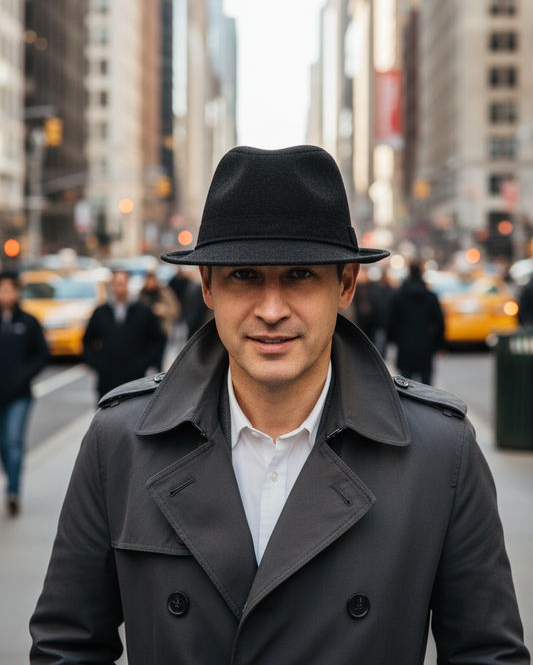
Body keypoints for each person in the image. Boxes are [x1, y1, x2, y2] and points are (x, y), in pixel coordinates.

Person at [31, 146, 528, 665]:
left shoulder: (441, 454)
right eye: (244, 276)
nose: (271, 310)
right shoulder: (121, 443)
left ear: (345, 284)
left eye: (300, 275)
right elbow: (68, 647)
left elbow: (486, 654)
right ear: (207, 286)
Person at [0, 272, 48, 517]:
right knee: (2, 446)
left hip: (19, 395)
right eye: (2, 289)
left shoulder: (28, 321)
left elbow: (42, 353)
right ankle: (11, 481)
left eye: (9, 289)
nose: (5, 294)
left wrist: (24, 375)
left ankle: (13, 491)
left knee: (13, 441)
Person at [82, 269, 166, 399]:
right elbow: (87, 341)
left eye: (122, 283)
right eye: (116, 283)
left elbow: (158, 339)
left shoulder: (143, 311)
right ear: (112, 285)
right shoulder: (100, 312)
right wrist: (98, 364)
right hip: (107, 381)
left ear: (128, 284)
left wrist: (145, 363)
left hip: (135, 379)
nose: (119, 288)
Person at [388, 260, 445, 385]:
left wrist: (396, 340)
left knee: (406, 388)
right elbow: (440, 323)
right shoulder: (431, 297)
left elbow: (391, 322)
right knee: (427, 392)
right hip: (425, 347)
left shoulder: (398, 296)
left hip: (405, 347)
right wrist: (437, 344)